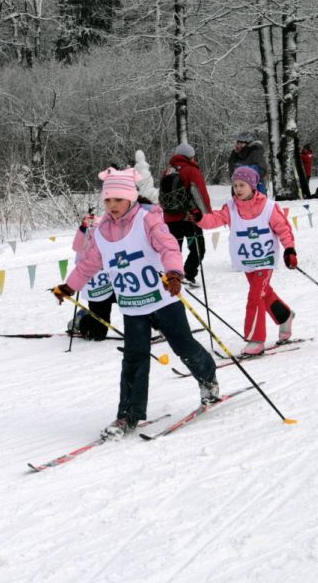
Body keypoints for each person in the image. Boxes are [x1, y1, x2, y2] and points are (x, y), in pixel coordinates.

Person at [51, 167, 219, 439]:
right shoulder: (102, 231)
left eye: (118, 199)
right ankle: (128, 414)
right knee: (134, 359)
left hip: (162, 299)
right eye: (108, 200)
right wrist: (69, 286)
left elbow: (168, 247)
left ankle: (208, 378)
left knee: (183, 345)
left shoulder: (147, 219)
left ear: (130, 197)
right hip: (132, 305)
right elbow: (90, 263)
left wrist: (174, 273)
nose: (112, 205)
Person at [193, 166, 297, 356]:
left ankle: (256, 340)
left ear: (252, 185)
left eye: (242, 185)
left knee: (255, 297)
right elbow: (215, 219)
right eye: (235, 185)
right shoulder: (231, 207)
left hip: (265, 260)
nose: (238, 189)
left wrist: (289, 249)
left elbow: (283, 228)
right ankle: (285, 316)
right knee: (264, 294)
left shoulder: (269, 207)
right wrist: (200, 218)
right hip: (247, 262)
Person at [161, 143, 212, 288]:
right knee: (198, 249)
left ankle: (173, 276)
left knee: (173, 250)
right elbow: (200, 194)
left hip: (170, 219)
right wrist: (206, 215)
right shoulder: (191, 170)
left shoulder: (167, 171)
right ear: (190, 156)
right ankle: (188, 275)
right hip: (189, 218)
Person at [68, 210, 115, 341]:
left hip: (112, 285)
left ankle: (154, 323)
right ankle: (81, 319)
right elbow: (77, 246)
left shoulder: (108, 235)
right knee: (98, 335)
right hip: (97, 292)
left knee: (135, 302)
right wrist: (84, 227)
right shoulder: (84, 241)